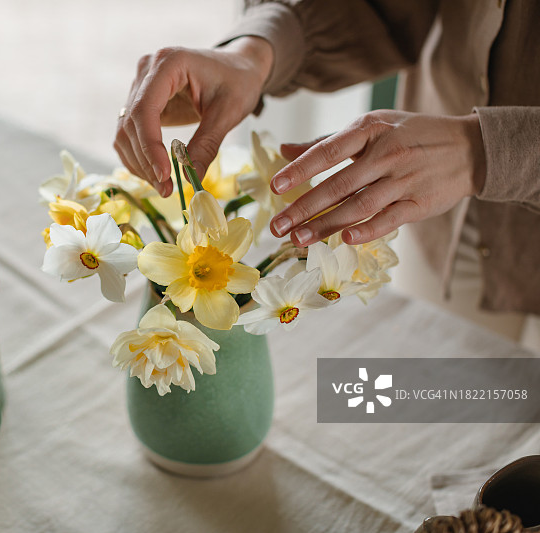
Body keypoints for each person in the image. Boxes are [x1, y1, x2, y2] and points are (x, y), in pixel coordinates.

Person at [114, 0, 540, 349]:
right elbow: (386, 9)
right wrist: (257, 52)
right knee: (442, 396)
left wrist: (485, 151)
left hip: (438, 174)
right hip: (436, 207)